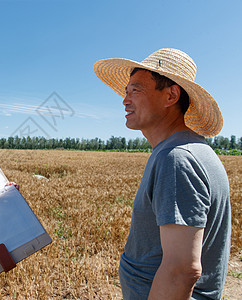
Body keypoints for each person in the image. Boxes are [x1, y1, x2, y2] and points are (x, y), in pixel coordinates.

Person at [94, 48, 231, 299]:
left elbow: (181, 271)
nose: (125, 100)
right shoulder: (191, 149)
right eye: (126, 91)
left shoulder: (177, 158)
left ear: (171, 95)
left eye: (135, 90)